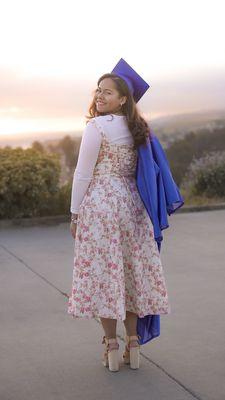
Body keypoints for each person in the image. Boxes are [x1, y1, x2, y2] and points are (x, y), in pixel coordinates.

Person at [67, 59, 172, 372]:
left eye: (108, 92)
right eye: (98, 90)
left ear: (123, 98)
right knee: (128, 277)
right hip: (132, 207)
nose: (100, 95)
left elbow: (83, 174)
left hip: (101, 206)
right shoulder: (139, 128)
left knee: (104, 278)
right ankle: (134, 343)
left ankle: (111, 346)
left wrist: (74, 213)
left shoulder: (96, 127)